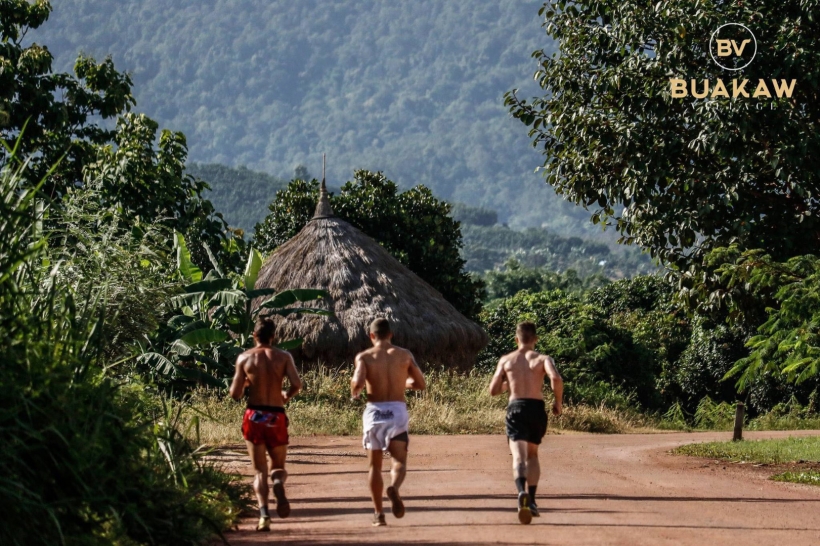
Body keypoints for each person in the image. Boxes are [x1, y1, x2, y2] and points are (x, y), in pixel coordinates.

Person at [351, 317, 426, 527]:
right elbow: (420, 383)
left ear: (371, 336)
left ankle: (378, 514)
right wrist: (402, 383)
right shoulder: (404, 355)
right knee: (399, 459)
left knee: (374, 465)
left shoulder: (365, 356)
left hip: (374, 412)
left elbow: (357, 381)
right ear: (391, 334)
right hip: (397, 410)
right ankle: (394, 486)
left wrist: (355, 389)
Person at [230, 316, 302, 532]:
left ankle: (264, 516)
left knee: (259, 471)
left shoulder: (244, 358)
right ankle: (278, 482)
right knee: (277, 467)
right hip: (275, 415)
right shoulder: (284, 356)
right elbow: (296, 384)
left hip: (254, 416)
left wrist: (246, 381)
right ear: (273, 336)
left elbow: (235, 394)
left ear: (254, 336)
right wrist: (285, 397)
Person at [489, 321, 563, 525]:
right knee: (532, 454)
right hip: (536, 408)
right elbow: (555, 378)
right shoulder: (542, 359)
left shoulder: (506, 360)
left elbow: (493, 390)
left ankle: (521, 491)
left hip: (516, 408)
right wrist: (558, 402)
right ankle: (532, 499)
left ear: (516, 339)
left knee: (518, 456)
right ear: (536, 339)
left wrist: (508, 384)